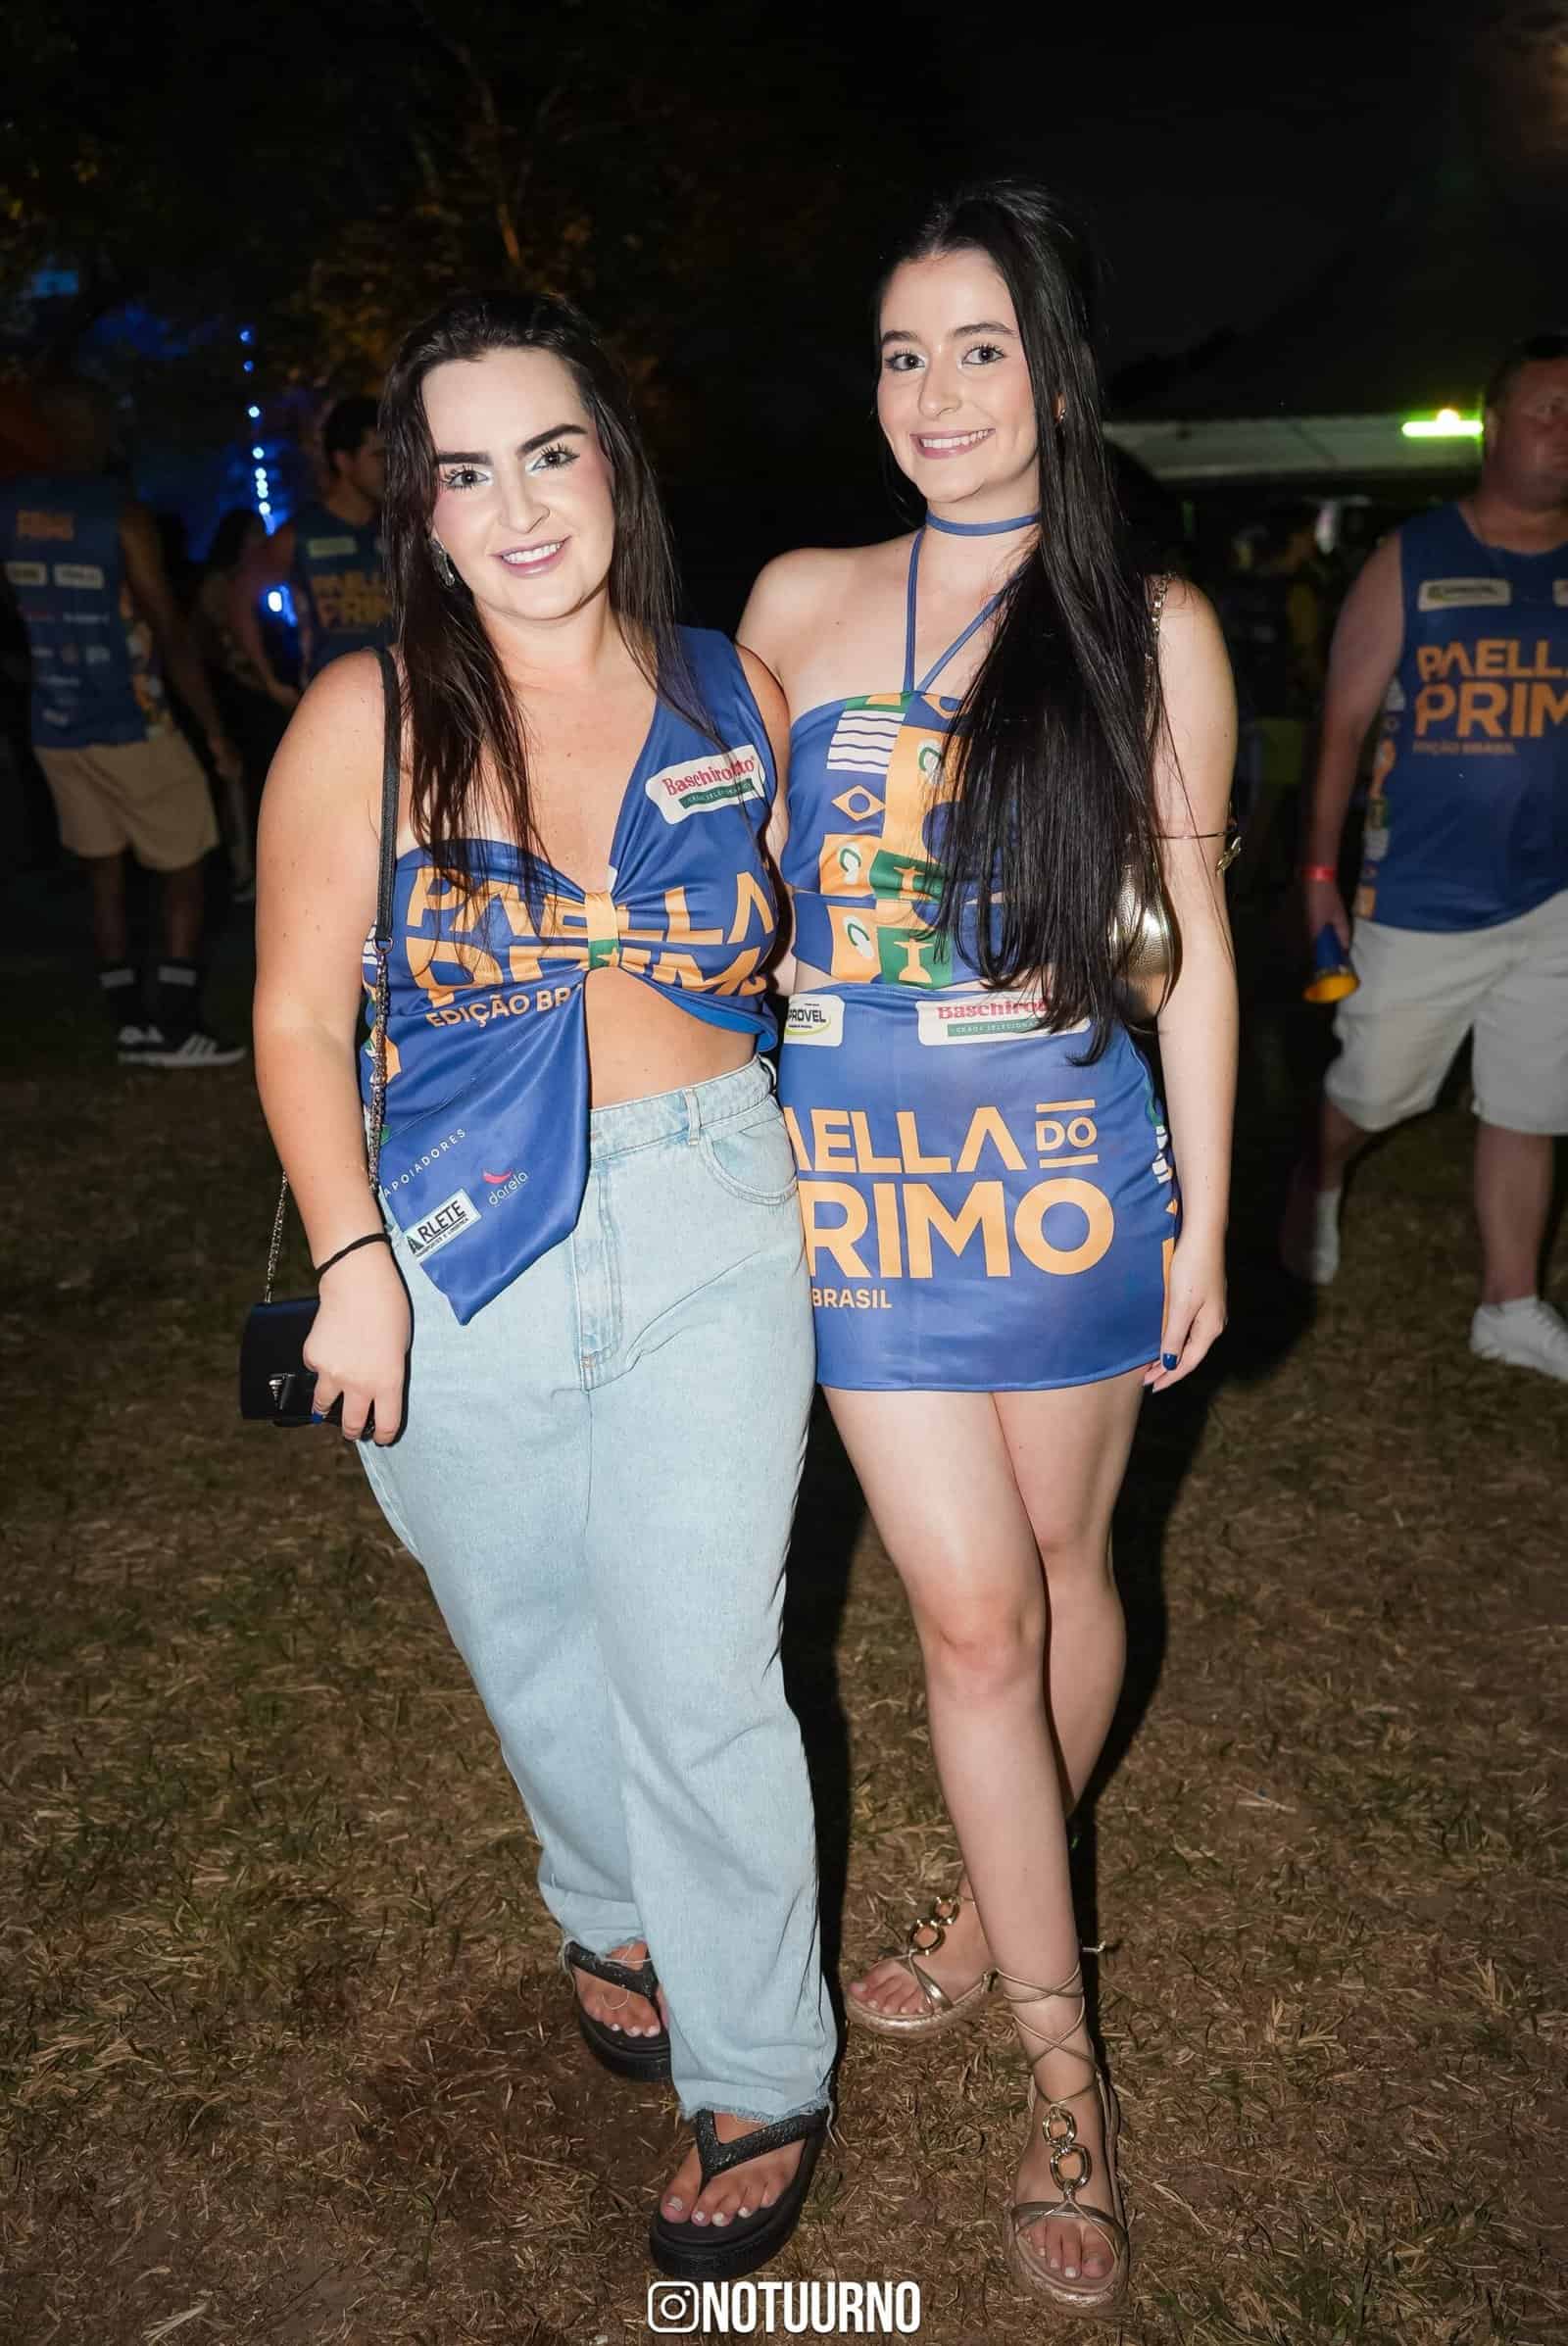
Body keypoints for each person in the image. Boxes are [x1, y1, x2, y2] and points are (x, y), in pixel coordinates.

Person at [252, 292, 834, 2278]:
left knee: (700, 1658)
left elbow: (799, 951)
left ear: (615, 462)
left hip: (707, 1206)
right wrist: (352, 1262)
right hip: (447, 1232)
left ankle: (758, 2060)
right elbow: (292, 1018)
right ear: (418, 509)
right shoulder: (364, 716)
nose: (517, 506)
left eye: (552, 453)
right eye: (466, 471)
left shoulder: (731, 692)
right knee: (523, 1632)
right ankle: (605, 1897)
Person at [740, 180, 1237, 2312]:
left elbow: (1190, 945)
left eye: (978, 349)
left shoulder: (1148, 623)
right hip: (858, 1190)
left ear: (1054, 372)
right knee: (966, 1619)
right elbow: (717, 873)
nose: (933, 393)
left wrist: (1204, 1211)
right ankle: (1067, 2079)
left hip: (1063, 1177)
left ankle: (977, 1908)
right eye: (899, 352)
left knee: (1062, 1574)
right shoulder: (798, 598)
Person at [1280, 331, 1568, 1381]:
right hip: (1421, 895)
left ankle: (1509, 1305)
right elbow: (1342, 731)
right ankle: (1316, 1177)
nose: (1566, 432)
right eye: (1548, 410)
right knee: (1376, 1091)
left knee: (1531, 1102)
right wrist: (1318, 878)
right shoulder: (1415, 557)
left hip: (1556, 895)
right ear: (1493, 426)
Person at [0, 381, 247, 1065]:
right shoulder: (120, 516)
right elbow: (168, 629)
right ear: (92, 433)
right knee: (189, 865)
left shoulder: (11, 509)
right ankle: (175, 1024)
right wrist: (215, 730)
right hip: (134, 723)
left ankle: (129, 1022)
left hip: (56, 723)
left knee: (103, 872)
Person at [233, 395, 389, 685]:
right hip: (333, 695)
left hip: (402, 690)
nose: (389, 466)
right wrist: (270, 681)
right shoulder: (300, 534)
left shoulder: (400, 530)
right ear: (344, 461)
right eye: (379, 455)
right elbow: (242, 599)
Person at [193, 507, 299, 898]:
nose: (262, 540)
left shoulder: (260, 579)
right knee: (246, 783)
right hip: (237, 696)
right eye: (254, 534)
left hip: (260, 692)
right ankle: (246, 870)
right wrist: (254, 678)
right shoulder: (221, 585)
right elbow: (211, 644)